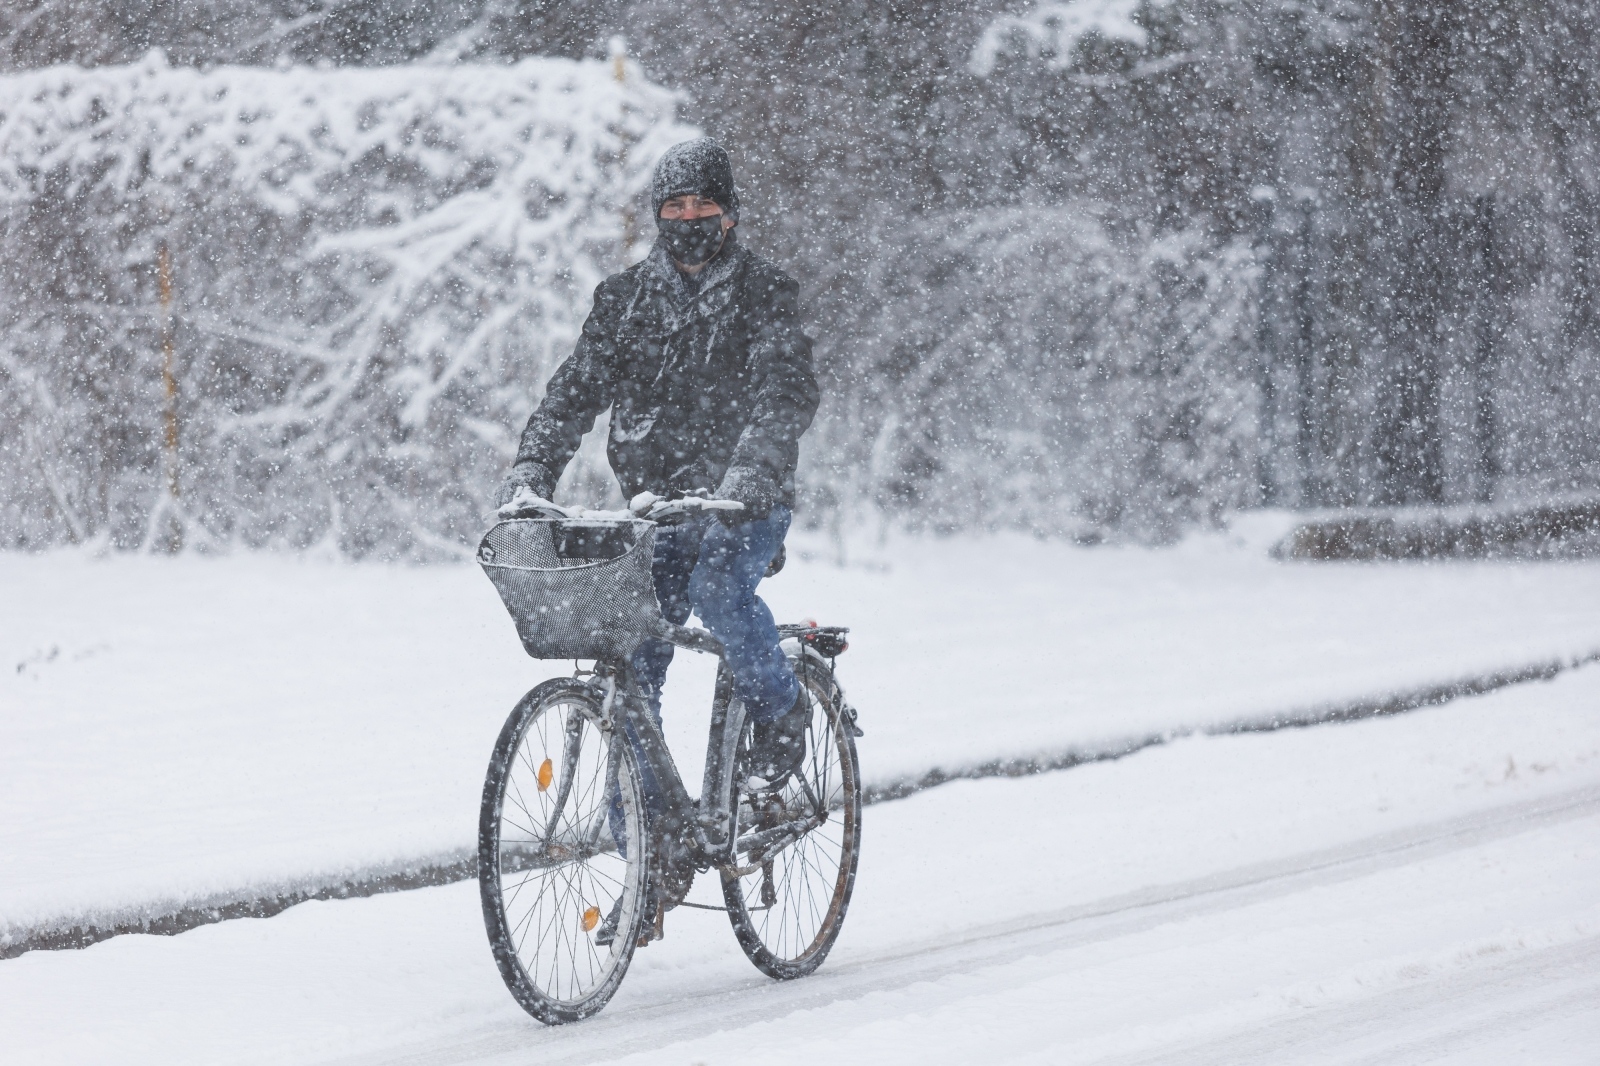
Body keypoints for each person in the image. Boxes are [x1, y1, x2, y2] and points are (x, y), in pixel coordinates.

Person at [497, 137, 819, 790]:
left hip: (742, 504)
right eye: (675, 206)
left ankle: (781, 711)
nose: (689, 218)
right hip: (656, 510)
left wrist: (752, 473)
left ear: (729, 214)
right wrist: (533, 469)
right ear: (657, 215)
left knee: (717, 591)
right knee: (629, 651)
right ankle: (648, 827)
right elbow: (573, 394)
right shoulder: (625, 302)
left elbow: (785, 391)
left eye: (703, 205)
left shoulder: (764, 293)